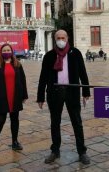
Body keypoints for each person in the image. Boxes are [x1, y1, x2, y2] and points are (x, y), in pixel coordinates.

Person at [37, 29, 91, 165]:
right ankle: (55, 150)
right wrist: (40, 96)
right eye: (58, 38)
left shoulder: (75, 53)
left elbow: (83, 73)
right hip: (54, 92)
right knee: (55, 122)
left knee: (77, 122)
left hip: (72, 91)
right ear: (55, 39)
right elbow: (43, 77)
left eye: (63, 38)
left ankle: (82, 151)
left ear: (67, 39)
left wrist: (86, 92)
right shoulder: (49, 56)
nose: (61, 40)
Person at [0, 43, 28, 155]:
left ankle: (15, 141)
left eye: (8, 50)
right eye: (4, 50)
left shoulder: (18, 65)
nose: (6, 52)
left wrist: (24, 95)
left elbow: (23, 80)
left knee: (15, 119)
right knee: (0, 120)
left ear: (12, 51)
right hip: (1, 97)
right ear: (1, 52)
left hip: (15, 96)